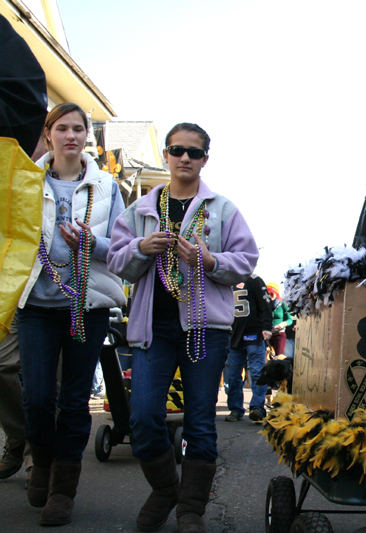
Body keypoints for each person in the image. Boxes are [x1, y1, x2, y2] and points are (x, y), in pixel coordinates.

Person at [108, 122, 258, 533]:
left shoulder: (222, 208)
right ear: (167, 157)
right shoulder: (140, 209)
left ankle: (191, 509)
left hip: (204, 329)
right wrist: (141, 247)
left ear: (205, 158)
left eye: (194, 152)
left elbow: (246, 260)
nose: (185, 158)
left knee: (200, 421)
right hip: (151, 328)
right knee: (141, 417)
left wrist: (209, 262)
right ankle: (165, 489)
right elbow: (116, 260)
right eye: (177, 150)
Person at [16, 102, 126, 526]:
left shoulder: (108, 186)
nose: (71, 136)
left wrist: (90, 244)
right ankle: (40, 461)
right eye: (62, 128)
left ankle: (63, 489)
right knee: (38, 397)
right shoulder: (24, 180)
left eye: (78, 128)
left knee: (75, 400)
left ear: (87, 136)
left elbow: (121, 248)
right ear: (48, 135)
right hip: (37, 305)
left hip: (87, 305)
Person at [0, 13, 47, 486]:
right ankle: (22, 435)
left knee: (21, 370)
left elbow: (23, 92)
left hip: (35, 285)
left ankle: (37, 444)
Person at [224, 274, 272, 423]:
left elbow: (265, 306)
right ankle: (235, 408)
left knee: (257, 372)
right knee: (232, 375)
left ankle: (257, 407)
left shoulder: (255, 280)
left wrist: (266, 327)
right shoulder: (226, 279)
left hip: (253, 335)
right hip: (233, 336)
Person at [266, 282, 292, 358]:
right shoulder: (264, 304)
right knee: (265, 356)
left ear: (276, 293)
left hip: (279, 334)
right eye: (268, 294)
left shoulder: (283, 304)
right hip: (267, 334)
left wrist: (283, 324)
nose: (270, 297)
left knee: (279, 357)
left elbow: (290, 319)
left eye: (272, 294)